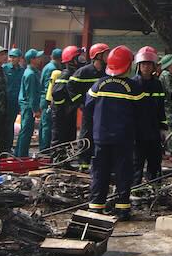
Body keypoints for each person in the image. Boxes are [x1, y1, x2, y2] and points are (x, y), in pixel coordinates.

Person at [87, 46, 141, 220]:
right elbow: (141, 113)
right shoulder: (133, 87)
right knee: (123, 173)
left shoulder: (98, 85)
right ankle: (122, 209)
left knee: (99, 172)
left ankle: (96, 207)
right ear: (128, 65)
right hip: (123, 139)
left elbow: (88, 107)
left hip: (101, 138)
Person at [70, 43, 109, 166]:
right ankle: (83, 162)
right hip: (89, 110)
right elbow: (70, 86)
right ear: (98, 56)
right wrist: (81, 103)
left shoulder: (107, 72)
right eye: (106, 54)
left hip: (102, 110)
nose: (108, 56)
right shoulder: (84, 71)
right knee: (86, 134)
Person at [133, 46, 166, 184]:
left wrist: (163, 128)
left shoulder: (157, 84)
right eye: (143, 64)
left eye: (149, 64)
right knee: (136, 163)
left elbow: (161, 108)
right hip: (137, 132)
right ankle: (134, 189)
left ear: (153, 66)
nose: (146, 67)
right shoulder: (133, 84)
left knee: (155, 161)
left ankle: (155, 188)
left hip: (154, 130)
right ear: (139, 66)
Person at [15, 49, 44, 157]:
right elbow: (31, 94)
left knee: (26, 130)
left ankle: (18, 153)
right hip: (28, 106)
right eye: (38, 57)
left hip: (28, 105)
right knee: (26, 131)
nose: (40, 59)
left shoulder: (33, 72)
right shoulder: (30, 74)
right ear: (32, 60)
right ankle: (22, 155)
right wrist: (35, 110)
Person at [158, 54, 172, 157]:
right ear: (170, 64)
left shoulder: (170, 74)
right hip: (168, 105)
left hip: (169, 104)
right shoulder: (166, 75)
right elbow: (170, 90)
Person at [3, 48, 26, 150]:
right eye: (11, 57)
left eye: (14, 57)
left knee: (10, 125)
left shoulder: (22, 71)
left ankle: (8, 146)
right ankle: (1, 147)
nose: (12, 59)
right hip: (4, 102)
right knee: (3, 125)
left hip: (15, 102)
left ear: (20, 58)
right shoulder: (4, 69)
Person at [39, 47, 61, 151]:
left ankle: (43, 146)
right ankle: (45, 148)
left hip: (44, 98)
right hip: (48, 99)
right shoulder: (53, 69)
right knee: (47, 125)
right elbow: (50, 86)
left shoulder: (47, 66)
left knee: (44, 124)